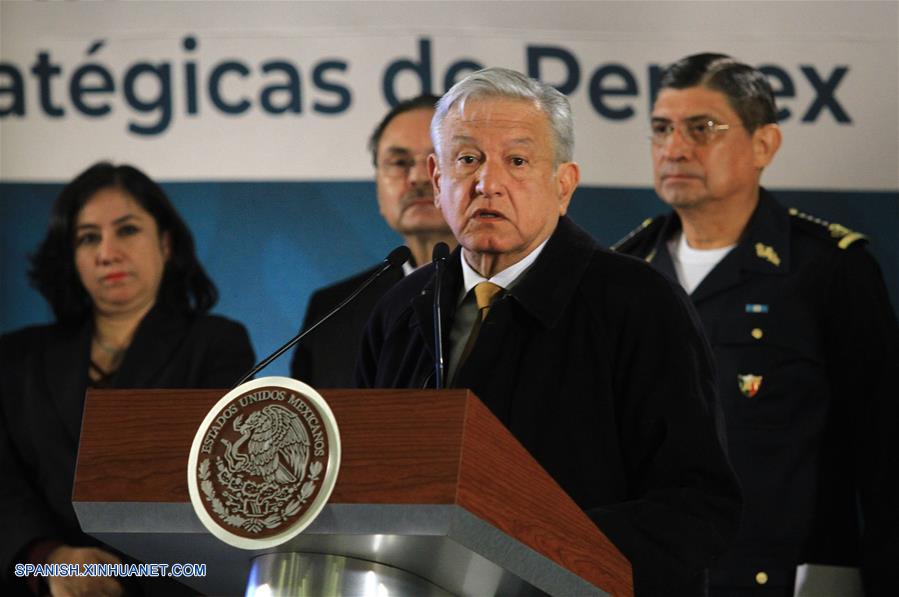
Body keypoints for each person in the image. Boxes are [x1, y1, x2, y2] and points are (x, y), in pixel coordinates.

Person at [356, 67, 742, 596]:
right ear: (437, 176)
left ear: (563, 185)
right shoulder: (400, 307)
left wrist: (530, 550)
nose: (487, 183)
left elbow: (696, 507)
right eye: (467, 159)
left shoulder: (638, 303)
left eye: (517, 161)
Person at [614, 53, 899, 596]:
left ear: (764, 144)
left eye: (702, 129)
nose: (674, 148)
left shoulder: (828, 268)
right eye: (661, 129)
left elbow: (886, 458)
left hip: (791, 581)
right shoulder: (626, 271)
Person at [0, 162, 256, 596]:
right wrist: (49, 561)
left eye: (127, 230)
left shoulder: (217, 343)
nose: (107, 252)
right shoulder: (17, 356)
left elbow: (219, 485)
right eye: (88, 238)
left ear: (166, 242)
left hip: (170, 582)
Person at [290, 94, 457, 387]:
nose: (418, 177)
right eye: (399, 162)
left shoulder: (504, 294)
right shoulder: (332, 311)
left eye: (437, 160)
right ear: (378, 185)